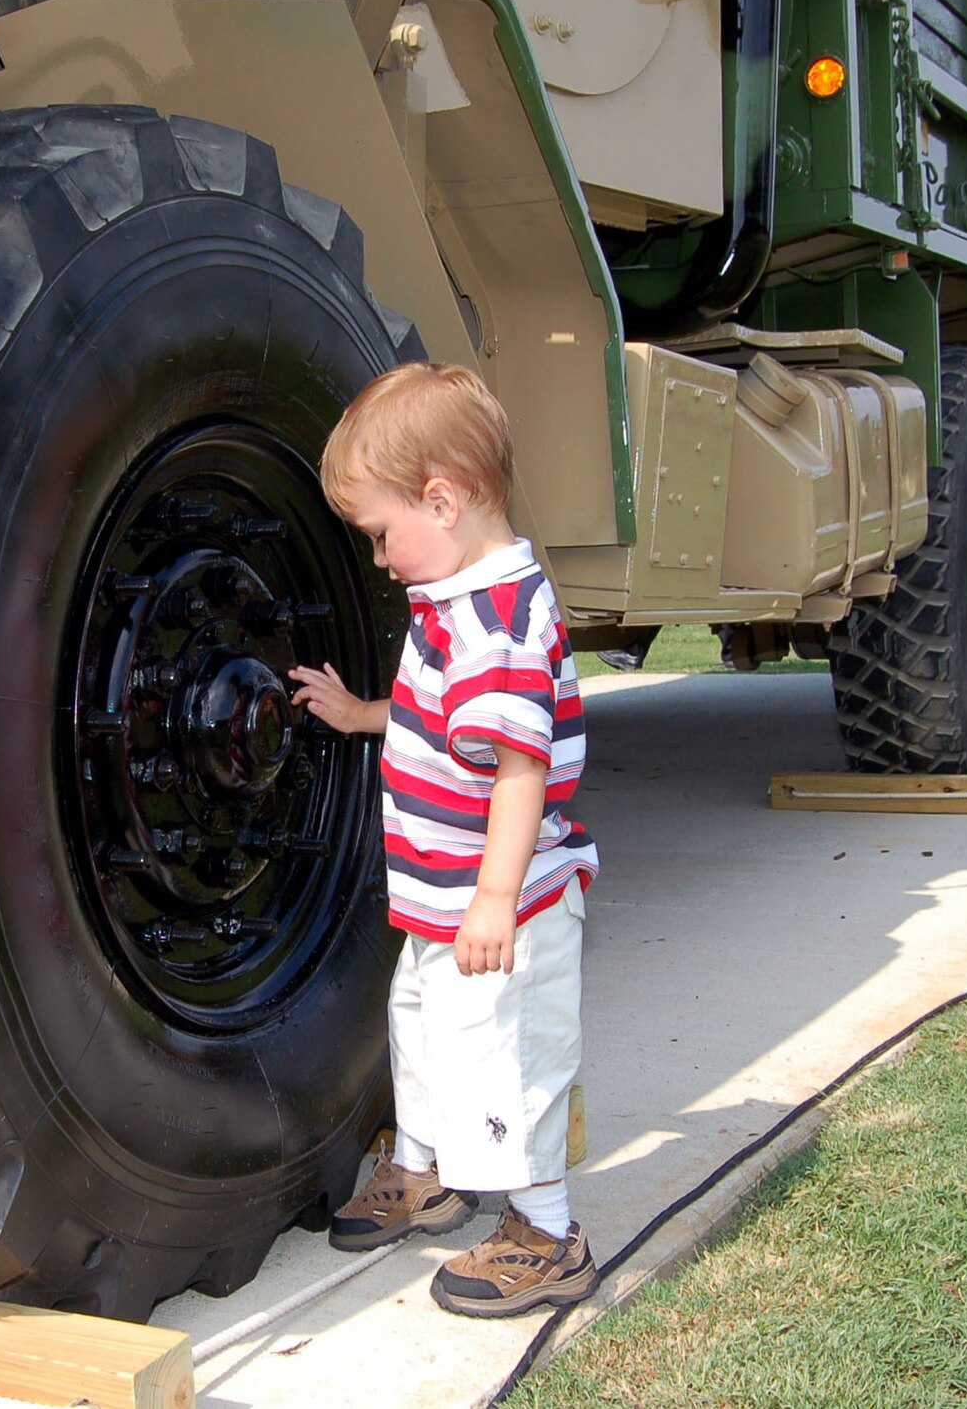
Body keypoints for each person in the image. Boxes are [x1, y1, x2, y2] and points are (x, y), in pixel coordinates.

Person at [287, 361, 601, 1317]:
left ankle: (548, 1232)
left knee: (505, 1061)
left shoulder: (498, 626)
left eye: (383, 534)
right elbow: (444, 724)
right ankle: (426, 1170)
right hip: (444, 902)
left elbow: (519, 769)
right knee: (419, 1032)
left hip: (504, 906)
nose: (379, 559)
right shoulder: (455, 602)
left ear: (444, 497)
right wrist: (362, 712)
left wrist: (496, 902)